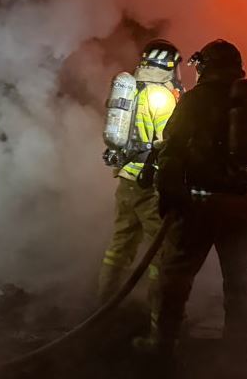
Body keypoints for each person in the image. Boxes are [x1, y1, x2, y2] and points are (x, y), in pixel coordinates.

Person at [152, 39, 247, 370]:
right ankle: (240, 356)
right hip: (243, 211)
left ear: (205, 67)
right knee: (240, 282)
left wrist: (170, 200)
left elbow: (171, 153)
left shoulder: (194, 102)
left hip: (198, 208)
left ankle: (164, 348)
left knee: (175, 279)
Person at [98, 39, 183, 347]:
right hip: (150, 187)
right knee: (161, 255)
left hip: (126, 180)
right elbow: (168, 144)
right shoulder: (162, 97)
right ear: (170, 66)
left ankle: (101, 313)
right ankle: (158, 330)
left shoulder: (131, 89)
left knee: (118, 248)